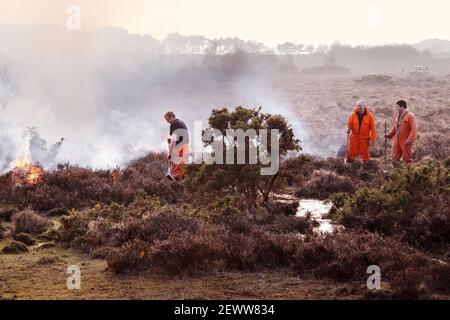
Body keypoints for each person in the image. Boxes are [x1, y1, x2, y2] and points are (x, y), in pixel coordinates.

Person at [164, 111, 190, 179]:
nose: (167, 122)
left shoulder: (174, 124)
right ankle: (185, 183)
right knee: (183, 168)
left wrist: (170, 152)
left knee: (177, 169)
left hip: (180, 148)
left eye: (168, 120)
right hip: (186, 147)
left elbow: (174, 140)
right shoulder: (181, 122)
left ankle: (177, 183)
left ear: (172, 117)